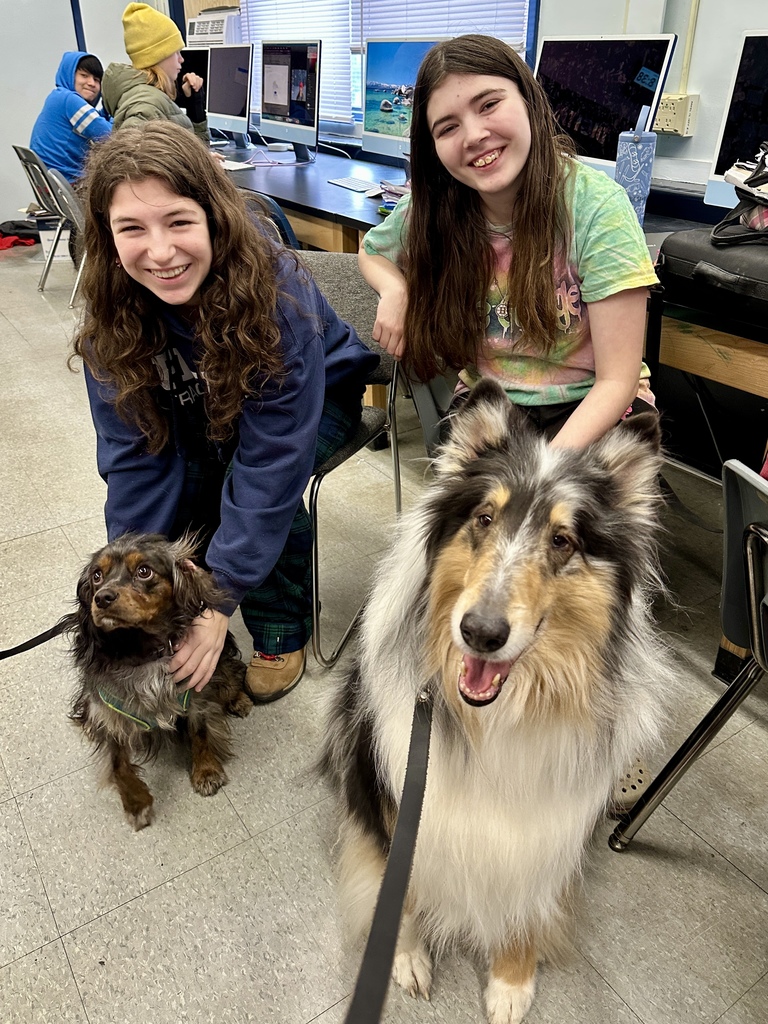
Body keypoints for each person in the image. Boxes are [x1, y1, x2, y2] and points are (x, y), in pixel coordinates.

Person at [72, 120, 378, 701]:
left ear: (213, 217)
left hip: (320, 391)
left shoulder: (274, 292)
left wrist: (217, 598)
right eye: (131, 228)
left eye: (179, 221)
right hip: (206, 402)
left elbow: (274, 461)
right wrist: (134, 571)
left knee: (248, 485)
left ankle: (279, 632)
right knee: (184, 479)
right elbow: (134, 457)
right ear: (108, 239)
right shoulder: (109, 322)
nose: (159, 251)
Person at [359, 34, 660, 451]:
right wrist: (395, 289)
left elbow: (617, 381)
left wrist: (537, 472)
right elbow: (372, 251)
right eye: (448, 127)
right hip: (493, 402)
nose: (474, 135)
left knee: (560, 513)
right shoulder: (434, 208)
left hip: (593, 405)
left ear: (528, 100)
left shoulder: (597, 207)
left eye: (489, 105)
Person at [102, 3, 208, 142]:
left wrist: (195, 105)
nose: (181, 59)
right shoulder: (147, 105)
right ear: (158, 55)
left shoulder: (153, 98)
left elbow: (188, 156)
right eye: (176, 52)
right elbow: (132, 160)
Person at [30, 52, 112, 183]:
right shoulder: (69, 100)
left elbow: (95, 122)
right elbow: (109, 136)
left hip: (54, 184)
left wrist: (108, 111)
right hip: (69, 185)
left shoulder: (57, 97)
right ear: (69, 75)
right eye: (84, 76)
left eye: (97, 80)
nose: (91, 83)